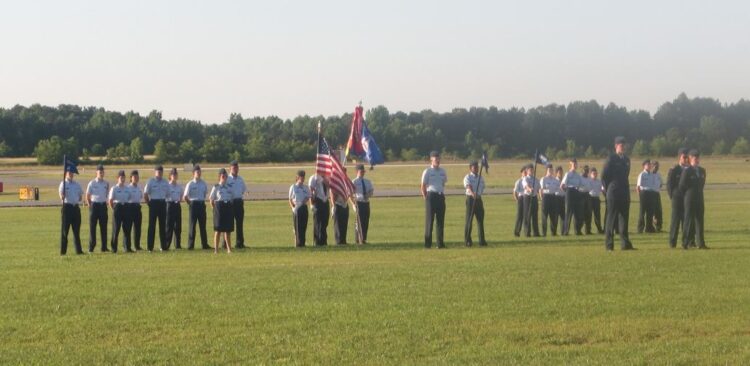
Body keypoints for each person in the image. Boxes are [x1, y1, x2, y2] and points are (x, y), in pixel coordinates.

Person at [602, 136, 634, 251]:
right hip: (614, 191)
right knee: (611, 218)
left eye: (624, 145)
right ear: (616, 146)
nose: (623, 147)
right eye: (621, 145)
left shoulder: (626, 160)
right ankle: (609, 244)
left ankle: (625, 244)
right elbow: (604, 176)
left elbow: (626, 175)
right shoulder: (611, 158)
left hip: (624, 191)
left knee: (624, 218)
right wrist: (608, 189)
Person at [679, 149, 708, 249]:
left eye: (697, 158)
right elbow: (682, 186)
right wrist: (688, 194)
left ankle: (701, 243)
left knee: (700, 221)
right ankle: (685, 243)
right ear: (690, 159)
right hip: (690, 199)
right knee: (688, 221)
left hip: (699, 198)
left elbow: (702, 184)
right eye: (694, 158)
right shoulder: (687, 171)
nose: (696, 160)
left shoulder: (702, 171)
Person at [421, 150, 447, 248]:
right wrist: (425, 197)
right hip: (431, 196)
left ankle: (440, 243)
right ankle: (428, 244)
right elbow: (423, 186)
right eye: (436, 159)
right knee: (429, 221)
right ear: (431, 160)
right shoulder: (427, 171)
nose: (438, 161)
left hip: (440, 196)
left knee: (440, 221)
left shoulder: (442, 171)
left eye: (439, 159)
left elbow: (443, 183)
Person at [667, 148, 690, 248]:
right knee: (675, 221)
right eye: (684, 157)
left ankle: (685, 242)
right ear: (679, 158)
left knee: (686, 221)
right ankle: (672, 242)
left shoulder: (689, 170)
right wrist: (672, 196)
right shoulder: (674, 169)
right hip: (677, 198)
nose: (686, 160)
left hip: (686, 199)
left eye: (687, 157)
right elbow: (669, 184)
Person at [183, 165, 210, 250]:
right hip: (193, 205)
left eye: (199, 172)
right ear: (193, 173)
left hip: (201, 205)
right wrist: (190, 204)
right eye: (197, 172)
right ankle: (190, 246)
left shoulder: (203, 183)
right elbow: (185, 196)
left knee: (203, 226)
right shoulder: (190, 184)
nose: (198, 173)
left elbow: (205, 193)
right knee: (192, 226)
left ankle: (204, 245)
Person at [59, 165, 84, 255]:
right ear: (66, 174)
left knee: (76, 231)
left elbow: (80, 197)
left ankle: (79, 250)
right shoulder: (63, 184)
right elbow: (61, 196)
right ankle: (63, 251)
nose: (71, 174)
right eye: (69, 173)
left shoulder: (77, 184)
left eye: (72, 173)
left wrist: (77, 198)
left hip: (75, 208)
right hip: (67, 208)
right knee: (65, 231)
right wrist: (63, 195)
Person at [85, 164, 110, 252]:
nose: (101, 173)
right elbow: (87, 195)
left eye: (102, 172)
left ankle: (104, 247)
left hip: (103, 206)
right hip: (94, 206)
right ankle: (91, 247)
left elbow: (107, 194)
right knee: (93, 228)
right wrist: (89, 205)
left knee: (104, 227)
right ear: (96, 173)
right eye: (100, 172)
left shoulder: (106, 183)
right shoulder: (92, 183)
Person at [144, 165, 169, 251]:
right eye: (158, 172)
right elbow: (145, 194)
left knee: (162, 226)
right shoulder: (150, 181)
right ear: (155, 172)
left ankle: (163, 246)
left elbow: (168, 193)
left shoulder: (165, 182)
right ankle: (150, 247)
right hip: (153, 203)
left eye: (161, 172)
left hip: (162, 203)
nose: (159, 173)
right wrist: (149, 203)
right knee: (152, 226)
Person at [210, 168, 234, 253]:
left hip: (227, 207)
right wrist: (215, 209)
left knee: (227, 230)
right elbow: (211, 200)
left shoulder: (229, 187)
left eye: (225, 175)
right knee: (218, 230)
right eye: (222, 175)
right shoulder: (216, 187)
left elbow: (232, 198)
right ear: (219, 176)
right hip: (219, 208)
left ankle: (229, 249)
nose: (224, 177)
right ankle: (216, 250)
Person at [463, 160, 487, 246]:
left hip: (479, 200)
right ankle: (468, 240)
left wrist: (479, 195)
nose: (476, 168)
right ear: (470, 168)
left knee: (480, 221)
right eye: (474, 167)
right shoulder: (468, 177)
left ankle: (482, 241)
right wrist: (473, 194)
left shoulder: (481, 177)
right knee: (469, 220)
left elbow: (483, 187)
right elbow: (468, 186)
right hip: (471, 199)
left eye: (477, 167)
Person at [108, 170, 131, 253]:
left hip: (125, 207)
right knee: (116, 229)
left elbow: (129, 198)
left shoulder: (127, 188)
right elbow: (110, 200)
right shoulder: (114, 188)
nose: (122, 179)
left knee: (127, 229)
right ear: (118, 178)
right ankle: (114, 248)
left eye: (123, 177)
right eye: (121, 177)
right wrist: (114, 209)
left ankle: (127, 247)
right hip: (117, 207)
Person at [561, 158, 584, 236]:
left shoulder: (578, 175)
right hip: (569, 192)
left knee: (577, 213)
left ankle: (577, 231)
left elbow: (581, 185)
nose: (574, 165)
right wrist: (567, 192)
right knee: (568, 213)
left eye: (575, 164)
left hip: (576, 192)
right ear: (570, 165)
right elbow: (562, 185)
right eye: (573, 164)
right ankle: (565, 231)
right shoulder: (568, 174)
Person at [226, 160, 247, 249]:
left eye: (237, 167)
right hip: (230, 203)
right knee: (228, 224)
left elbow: (243, 190)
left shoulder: (240, 179)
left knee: (239, 224)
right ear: (230, 168)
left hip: (239, 202)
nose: (235, 169)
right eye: (234, 168)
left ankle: (240, 243)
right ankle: (225, 244)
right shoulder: (227, 179)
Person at [352, 164, 373, 244]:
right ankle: (359, 239)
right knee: (359, 222)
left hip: (366, 202)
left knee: (365, 221)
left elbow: (371, 190)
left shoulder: (367, 181)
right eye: (361, 171)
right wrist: (353, 204)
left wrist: (369, 194)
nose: (363, 173)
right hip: (359, 202)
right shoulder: (354, 182)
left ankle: (363, 239)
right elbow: (351, 193)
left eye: (363, 171)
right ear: (357, 172)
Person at [289, 170, 311, 247]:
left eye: (303, 177)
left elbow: (308, 197)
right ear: (297, 177)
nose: (302, 179)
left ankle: (303, 242)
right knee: (297, 228)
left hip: (304, 207)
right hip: (297, 208)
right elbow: (290, 199)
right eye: (301, 177)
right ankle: (298, 244)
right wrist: (293, 208)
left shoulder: (305, 187)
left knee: (303, 226)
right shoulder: (293, 187)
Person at [309, 171, 330, 246]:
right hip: (318, 201)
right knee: (318, 222)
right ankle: (317, 241)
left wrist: (324, 179)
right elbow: (311, 191)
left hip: (325, 201)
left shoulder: (327, 177)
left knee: (325, 222)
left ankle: (324, 240)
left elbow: (329, 186)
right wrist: (311, 204)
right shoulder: (313, 178)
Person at [636, 159, 657, 234]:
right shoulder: (642, 174)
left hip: (650, 193)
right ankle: (640, 228)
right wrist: (640, 195)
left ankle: (649, 227)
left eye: (649, 164)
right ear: (644, 166)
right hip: (644, 193)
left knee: (650, 211)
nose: (649, 166)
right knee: (642, 211)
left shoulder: (652, 174)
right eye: (647, 165)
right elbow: (638, 186)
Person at [539, 164, 560, 237]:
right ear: (546, 171)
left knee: (553, 216)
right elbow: (541, 190)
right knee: (545, 216)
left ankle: (553, 232)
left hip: (553, 197)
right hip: (546, 197)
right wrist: (542, 198)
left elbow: (558, 188)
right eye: (549, 170)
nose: (550, 171)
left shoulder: (555, 180)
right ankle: (544, 233)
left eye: (551, 170)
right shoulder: (543, 179)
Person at [165, 168, 183, 250]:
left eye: (176, 175)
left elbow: (181, 196)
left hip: (177, 205)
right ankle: (167, 244)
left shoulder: (179, 186)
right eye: (173, 175)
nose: (175, 176)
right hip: (170, 205)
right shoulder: (167, 186)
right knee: (169, 226)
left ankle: (178, 245)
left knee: (178, 226)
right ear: (170, 176)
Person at [331, 171, 350, 245]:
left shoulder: (346, 182)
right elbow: (332, 194)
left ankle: (343, 240)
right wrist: (333, 206)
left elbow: (349, 191)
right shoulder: (336, 183)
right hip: (338, 204)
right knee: (338, 225)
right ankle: (338, 241)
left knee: (344, 224)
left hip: (344, 204)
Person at [522, 164, 541, 237]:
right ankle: (527, 232)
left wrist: (540, 194)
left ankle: (536, 233)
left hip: (534, 197)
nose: (532, 171)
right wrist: (530, 189)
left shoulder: (536, 179)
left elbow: (539, 188)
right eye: (530, 170)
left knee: (535, 215)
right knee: (527, 215)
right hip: (528, 197)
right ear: (527, 171)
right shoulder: (525, 178)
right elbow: (526, 186)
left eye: (532, 169)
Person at [587, 167, 605, 234]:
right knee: (589, 215)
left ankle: (599, 230)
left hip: (597, 199)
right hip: (590, 198)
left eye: (595, 173)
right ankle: (588, 230)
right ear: (590, 174)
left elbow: (602, 189)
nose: (595, 174)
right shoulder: (589, 181)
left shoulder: (599, 181)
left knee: (597, 215)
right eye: (593, 173)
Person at [513, 167, 527, 237]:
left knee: (526, 216)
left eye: (526, 172)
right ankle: (517, 231)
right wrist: (517, 200)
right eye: (524, 172)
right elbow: (515, 192)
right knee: (519, 216)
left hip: (527, 198)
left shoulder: (528, 180)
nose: (525, 173)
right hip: (521, 198)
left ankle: (526, 232)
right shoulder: (519, 181)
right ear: (521, 173)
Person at [580, 165, 594, 234]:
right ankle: (579, 229)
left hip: (588, 195)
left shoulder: (589, 178)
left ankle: (588, 230)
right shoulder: (579, 178)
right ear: (582, 170)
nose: (586, 172)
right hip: (581, 195)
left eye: (587, 171)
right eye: (585, 170)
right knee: (581, 213)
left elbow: (591, 187)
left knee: (589, 213)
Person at [651, 161, 664, 232]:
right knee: (651, 211)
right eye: (655, 166)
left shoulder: (658, 174)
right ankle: (650, 227)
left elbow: (661, 184)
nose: (656, 168)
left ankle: (659, 227)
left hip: (657, 193)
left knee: (658, 210)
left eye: (657, 167)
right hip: (650, 194)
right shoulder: (649, 174)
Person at [554, 166, 566, 232]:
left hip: (563, 198)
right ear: (556, 173)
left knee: (563, 215)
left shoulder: (564, 180)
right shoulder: (554, 180)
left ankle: (563, 231)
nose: (561, 173)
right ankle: (554, 231)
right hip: (556, 198)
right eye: (559, 172)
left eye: (561, 172)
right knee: (556, 215)